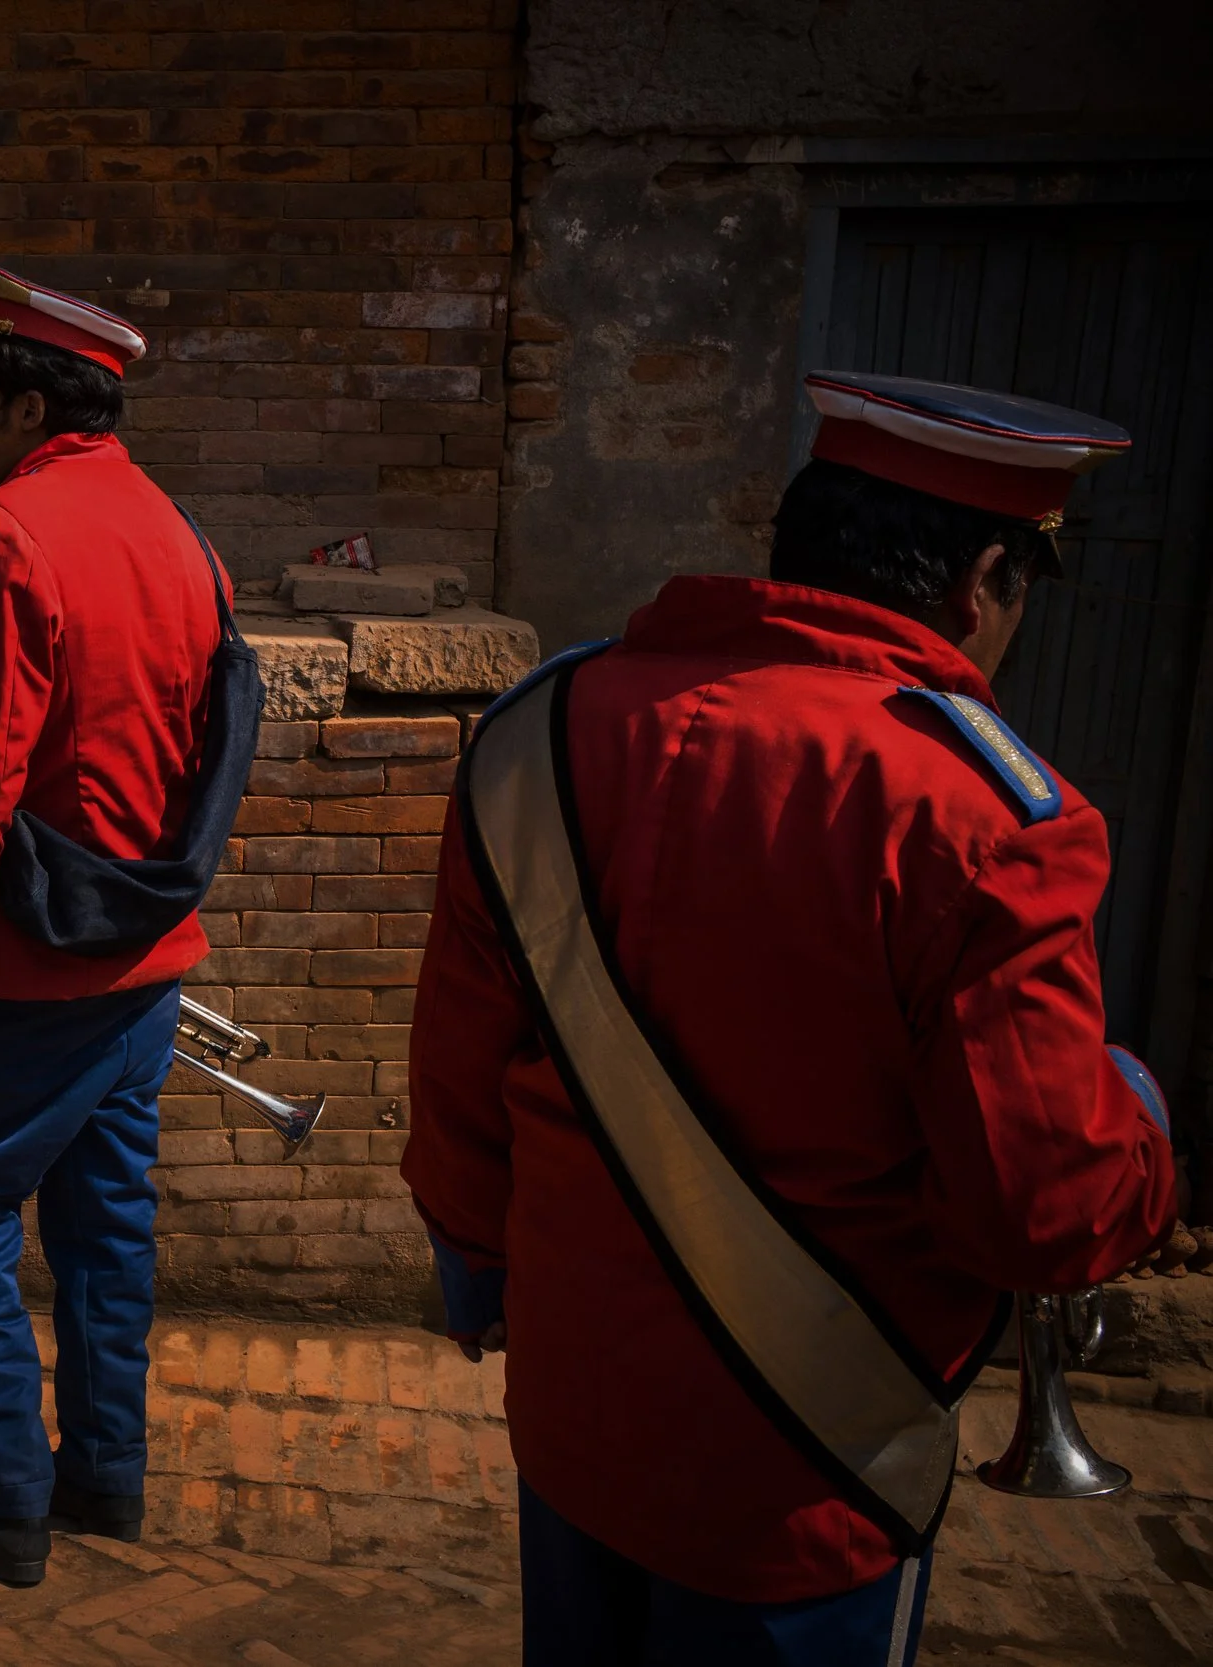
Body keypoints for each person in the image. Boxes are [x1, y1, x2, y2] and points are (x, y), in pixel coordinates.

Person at [407, 370, 1182, 1665]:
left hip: (574, 1405)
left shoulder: (543, 721)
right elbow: (1042, 1208)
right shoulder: (991, 818)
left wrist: (478, 1268)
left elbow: (461, 1063)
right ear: (983, 579)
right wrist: (1144, 1118)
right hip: (810, 1456)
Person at [0, 265, 247, 1586]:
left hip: (30, 956)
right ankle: (106, 1475)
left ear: (29, 406)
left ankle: (10, 1497)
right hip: (149, 953)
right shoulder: (183, 536)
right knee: (106, 1221)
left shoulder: (6, 532)